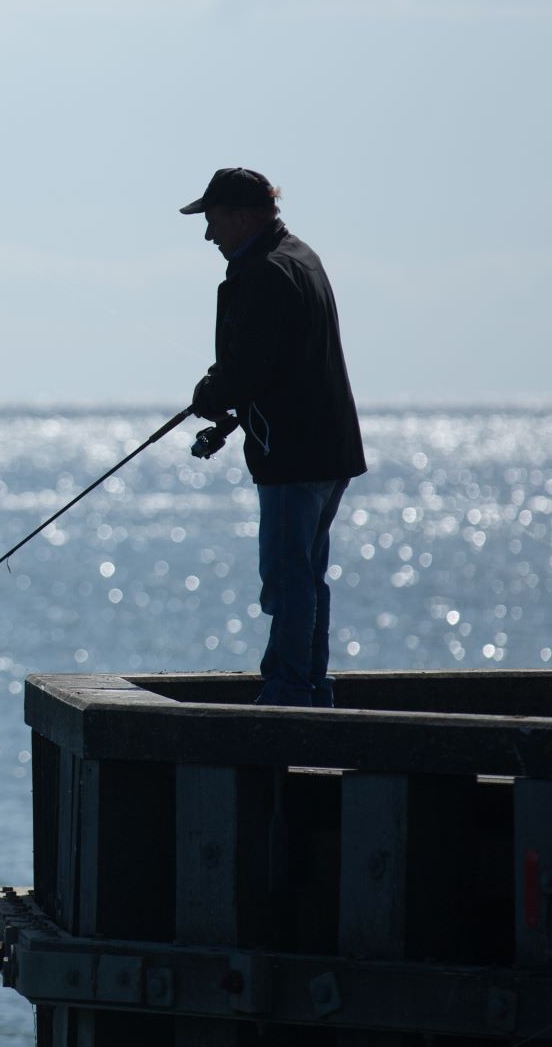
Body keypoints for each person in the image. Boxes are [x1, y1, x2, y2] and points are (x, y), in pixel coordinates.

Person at [181, 168, 366, 708]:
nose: (208, 234)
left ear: (242, 217)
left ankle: (288, 693)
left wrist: (210, 395)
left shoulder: (263, 272)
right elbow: (281, 366)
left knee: (288, 578)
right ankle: (310, 688)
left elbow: (248, 368)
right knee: (307, 576)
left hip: (294, 454)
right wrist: (229, 410)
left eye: (213, 221)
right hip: (329, 448)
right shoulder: (301, 257)